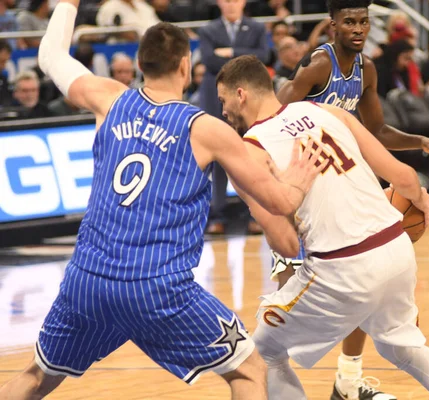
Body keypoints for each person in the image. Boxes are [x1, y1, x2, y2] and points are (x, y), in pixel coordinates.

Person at [0, 1, 325, 399]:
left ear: (140, 64)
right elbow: (278, 202)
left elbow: (49, 56)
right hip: (157, 288)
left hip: (88, 280)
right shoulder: (204, 128)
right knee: (249, 371)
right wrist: (298, 180)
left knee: (36, 375)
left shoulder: (109, 98)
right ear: (186, 66)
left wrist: (68, 3)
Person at [216, 54, 429, 400]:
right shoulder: (328, 111)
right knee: (404, 347)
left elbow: (283, 244)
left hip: (344, 266)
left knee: (260, 355)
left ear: (240, 94)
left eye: (222, 101)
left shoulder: (250, 151)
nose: (222, 112)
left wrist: (280, 205)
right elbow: (402, 176)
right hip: (395, 246)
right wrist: (420, 199)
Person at [274, 1, 429, 398]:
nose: (358, 28)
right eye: (349, 21)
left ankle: (348, 384)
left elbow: (378, 130)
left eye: (363, 21)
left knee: (363, 284)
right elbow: (275, 109)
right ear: (332, 25)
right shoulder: (319, 65)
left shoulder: (366, 69)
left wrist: (420, 142)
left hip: (348, 188)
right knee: (288, 311)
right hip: (306, 192)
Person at [198, 0, 270, 235]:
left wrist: (229, 54)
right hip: (215, 100)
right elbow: (209, 60)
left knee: (253, 153)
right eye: (226, 0)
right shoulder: (208, 30)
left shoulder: (257, 28)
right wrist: (243, 60)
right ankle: (217, 215)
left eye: (235, 0)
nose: (230, 5)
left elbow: (263, 56)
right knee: (217, 156)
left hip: (249, 100)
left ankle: (256, 213)